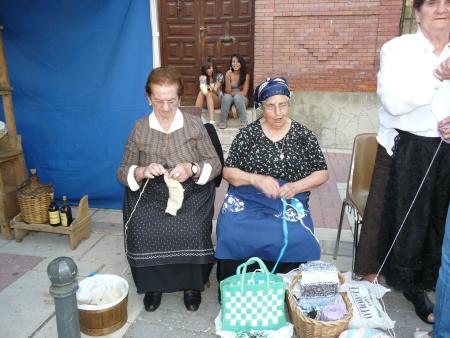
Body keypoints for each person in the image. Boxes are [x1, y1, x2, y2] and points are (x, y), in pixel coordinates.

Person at [117, 66, 221, 312]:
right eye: (158, 101)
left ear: (180, 97)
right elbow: (123, 170)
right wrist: (141, 172)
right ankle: (153, 286)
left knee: (192, 228)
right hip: (151, 194)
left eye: (171, 101)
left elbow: (215, 164)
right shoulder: (140, 128)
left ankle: (192, 286)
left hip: (191, 193)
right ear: (148, 98)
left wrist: (192, 168)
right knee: (143, 228)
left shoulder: (195, 125)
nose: (165, 108)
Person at [374, 0, 450, 325]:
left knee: (441, 222)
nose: (443, 8)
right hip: (414, 148)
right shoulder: (397, 49)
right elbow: (392, 101)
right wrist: (438, 76)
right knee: (414, 219)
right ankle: (414, 287)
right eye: (433, 2)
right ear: (417, 13)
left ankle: (438, 281)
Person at [215, 77, 329, 285]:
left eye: (283, 105)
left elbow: (321, 173)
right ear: (261, 107)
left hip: (288, 198)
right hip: (247, 198)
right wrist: (256, 179)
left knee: (297, 236)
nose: (278, 112)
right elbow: (229, 172)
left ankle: (288, 287)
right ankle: (237, 286)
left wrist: (296, 186)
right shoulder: (248, 135)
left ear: (289, 103)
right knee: (234, 230)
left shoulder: (304, 136)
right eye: (271, 106)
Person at [218, 53, 250, 129]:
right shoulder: (228, 74)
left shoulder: (246, 75)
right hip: (230, 99)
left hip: (242, 99)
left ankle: (243, 121)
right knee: (226, 97)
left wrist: (232, 93)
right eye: (233, 62)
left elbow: (244, 93)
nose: (235, 64)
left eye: (237, 62)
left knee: (237, 97)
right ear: (231, 64)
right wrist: (227, 77)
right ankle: (223, 121)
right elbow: (227, 90)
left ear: (241, 63)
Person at [195, 57, 224, 125]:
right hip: (206, 101)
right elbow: (203, 90)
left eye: (210, 68)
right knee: (201, 92)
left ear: (214, 67)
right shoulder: (203, 77)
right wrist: (204, 87)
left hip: (217, 101)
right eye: (207, 68)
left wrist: (210, 88)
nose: (209, 70)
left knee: (208, 93)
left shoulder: (219, 76)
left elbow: (215, 90)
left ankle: (212, 121)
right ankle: (195, 119)